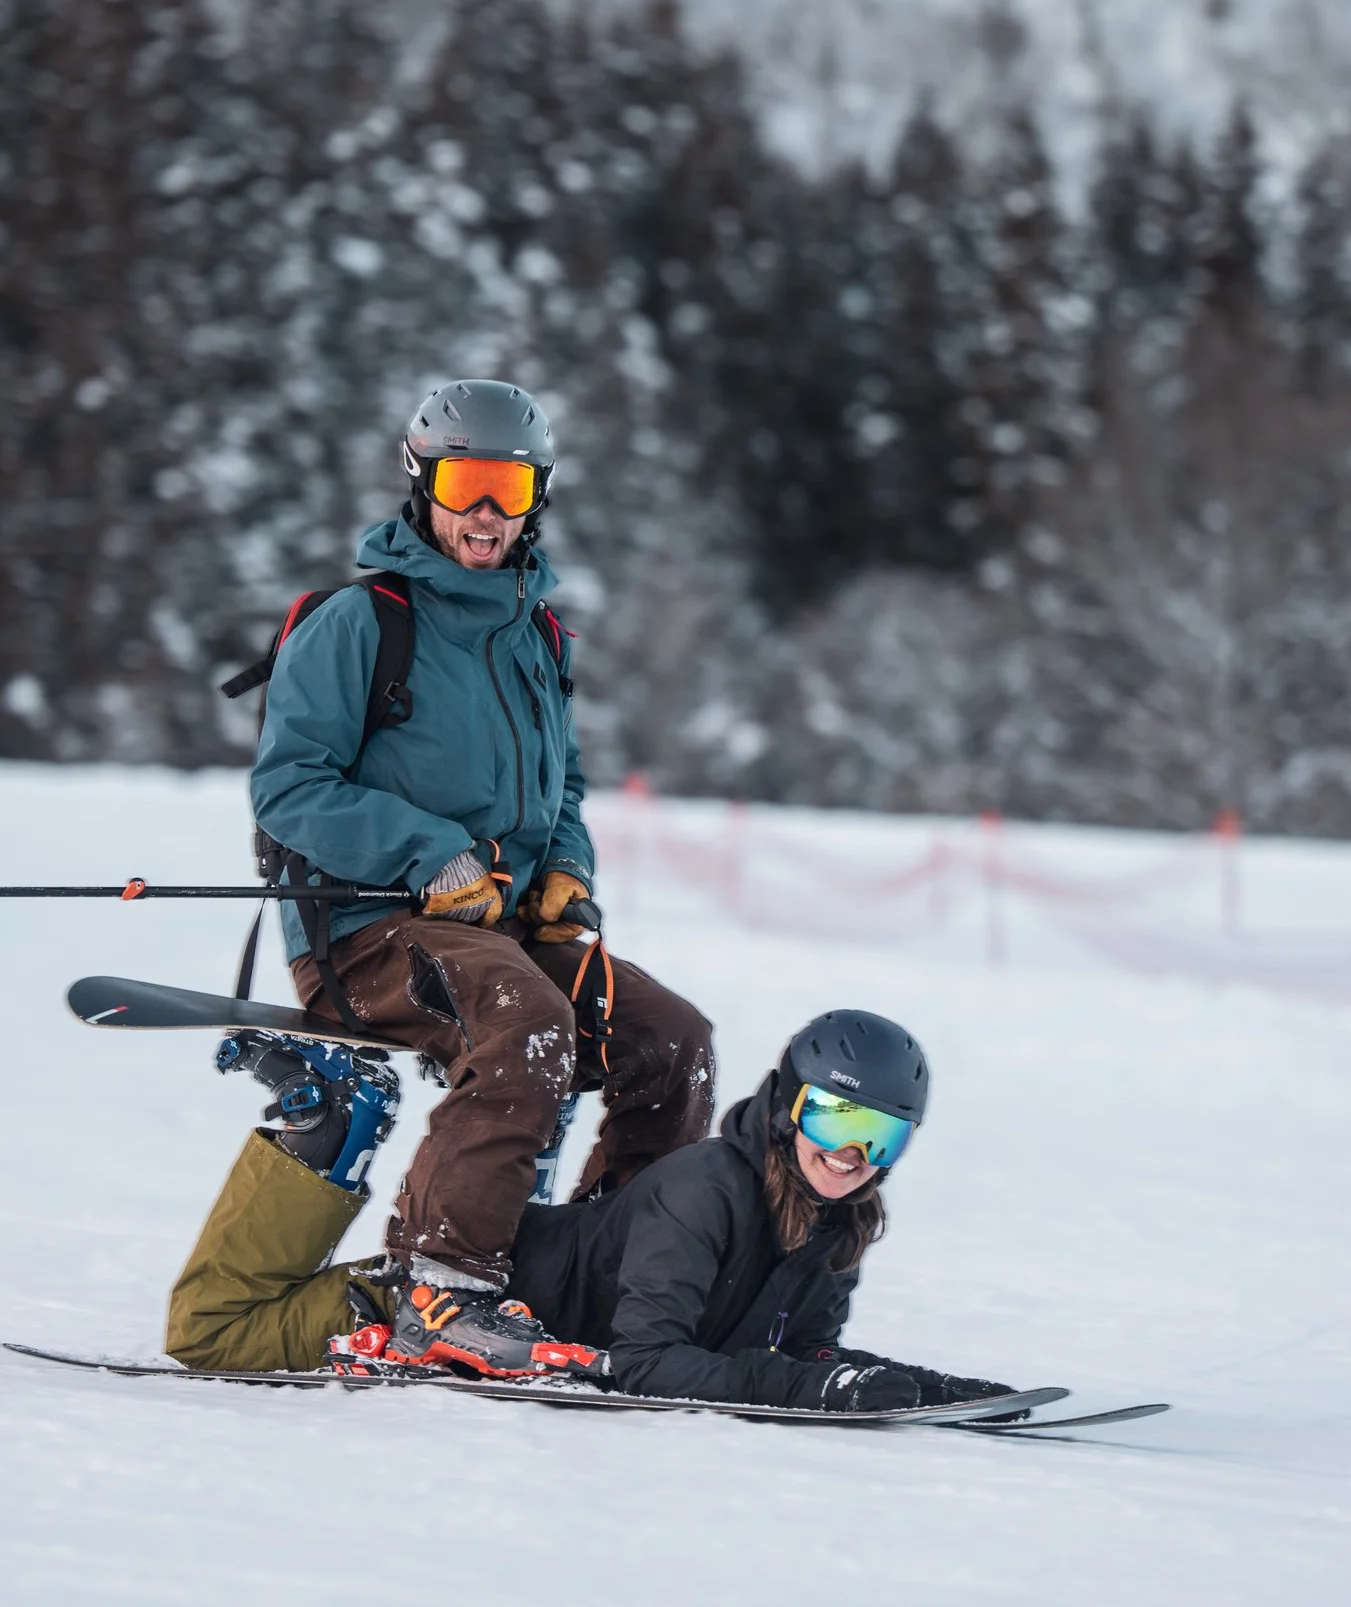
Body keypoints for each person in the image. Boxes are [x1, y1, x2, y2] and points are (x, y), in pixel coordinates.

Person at [243, 378, 716, 1376]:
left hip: (496, 928)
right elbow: (288, 787)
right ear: (423, 484)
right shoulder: (361, 622)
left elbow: (566, 783)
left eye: (511, 487)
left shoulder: (532, 633)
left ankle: (617, 1268)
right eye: (467, 484)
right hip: (364, 928)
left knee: (672, 1041)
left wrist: (564, 873)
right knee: (528, 1023)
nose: (487, 513)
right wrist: (428, 854)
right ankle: (441, 1287)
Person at [168, 1008, 1022, 1413]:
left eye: (884, 1139)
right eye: (838, 1120)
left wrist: (931, 1392)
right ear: (789, 1105)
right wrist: (822, 1389)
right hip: (423, 1306)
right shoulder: (709, 1188)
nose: (853, 1155)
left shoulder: (833, 1219)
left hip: (525, 1310)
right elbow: (650, 1362)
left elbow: (794, 1355)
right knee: (210, 1330)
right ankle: (325, 1123)